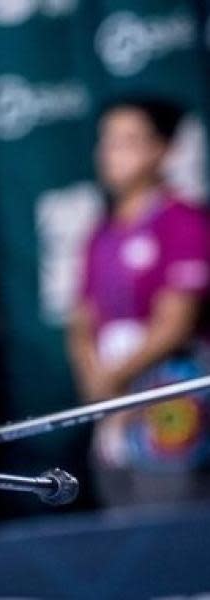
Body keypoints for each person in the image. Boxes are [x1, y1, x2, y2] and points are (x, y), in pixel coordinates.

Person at [67, 97, 210, 506]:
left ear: (161, 149)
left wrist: (115, 382)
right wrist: (95, 382)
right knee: (121, 522)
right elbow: (81, 320)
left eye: (127, 141)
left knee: (168, 517)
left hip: (168, 398)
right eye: (107, 141)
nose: (110, 153)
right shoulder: (101, 233)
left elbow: (175, 323)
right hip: (111, 406)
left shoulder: (183, 221)